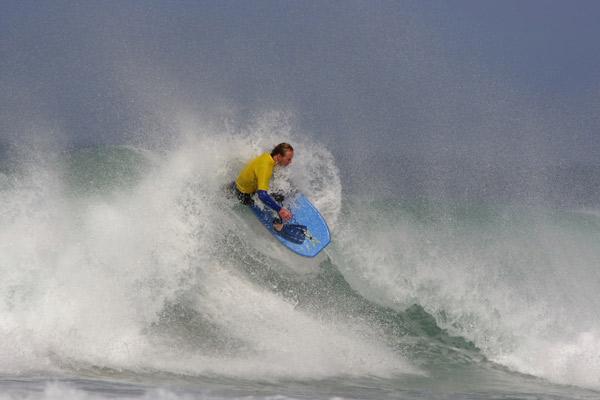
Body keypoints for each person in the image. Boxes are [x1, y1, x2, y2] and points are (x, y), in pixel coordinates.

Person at [232, 143, 294, 231]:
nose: (290, 162)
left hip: (238, 184)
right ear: (279, 156)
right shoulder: (266, 168)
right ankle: (277, 224)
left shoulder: (267, 156)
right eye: (288, 159)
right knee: (278, 198)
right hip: (244, 195)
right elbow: (262, 195)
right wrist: (280, 210)